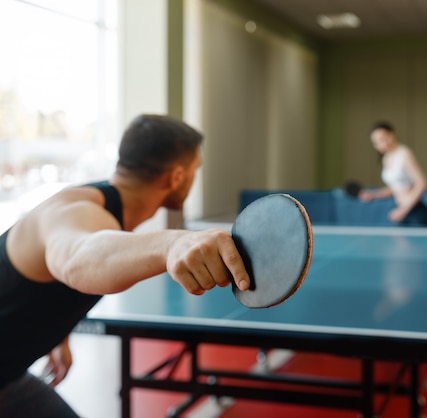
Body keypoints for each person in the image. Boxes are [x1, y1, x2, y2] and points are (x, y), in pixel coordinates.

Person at [0, 114, 251, 417]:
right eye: (195, 171)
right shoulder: (78, 211)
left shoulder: (98, 209)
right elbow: (78, 258)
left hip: (9, 376)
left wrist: (58, 335)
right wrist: (170, 244)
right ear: (176, 177)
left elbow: (53, 273)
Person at [358, 121, 427, 225]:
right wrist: (373, 195)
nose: (381, 144)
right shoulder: (386, 158)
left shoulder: (404, 153)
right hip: (400, 211)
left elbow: (421, 184)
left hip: (415, 212)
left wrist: (404, 210)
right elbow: (394, 188)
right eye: (376, 142)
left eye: (383, 139)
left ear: (392, 134)